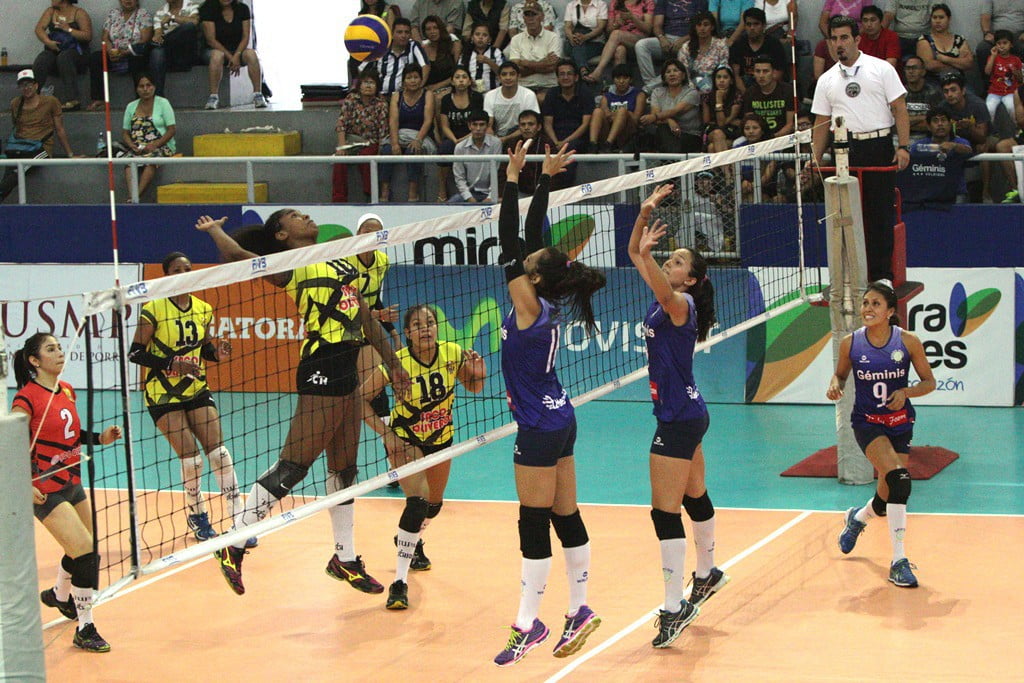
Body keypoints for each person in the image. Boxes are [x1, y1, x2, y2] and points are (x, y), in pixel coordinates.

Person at [197, 210, 410, 597]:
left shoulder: (339, 260)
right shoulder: (289, 264)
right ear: (281, 235)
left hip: (348, 366)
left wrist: (395, 366)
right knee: (294, 465)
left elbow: (366, 320)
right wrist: (215, 232)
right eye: (295, 216)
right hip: (322, 365)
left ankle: (344, 559)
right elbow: (238, 258)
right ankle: (233, 543)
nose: (306, 216)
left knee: (345, 469)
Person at [492, 139, 606, 666]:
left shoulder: (528, 304)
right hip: (561, 415)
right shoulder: (542, 298)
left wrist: (513, 180)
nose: (527, 257)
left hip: (538, 424)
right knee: (566, 514)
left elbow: (509, 242)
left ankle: (527, 622)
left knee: (533, 523)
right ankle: (579, 609)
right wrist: (542, 181)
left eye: (528, 264)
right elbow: (530, 243)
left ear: (532, 278)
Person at [627, 184, 729, 649]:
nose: (671, 262)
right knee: (694, 494)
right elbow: (633, 250)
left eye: (678, 262)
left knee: (663, 511)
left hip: (678, 417)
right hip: (687, 410)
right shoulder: (667, 295)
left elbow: (660, 286)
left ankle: (675, 607)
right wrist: (646, 209)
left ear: (691, 280)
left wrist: (650, 260)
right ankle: (707, 573)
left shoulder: (682, 304)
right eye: (669, 259)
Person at [359, 304, 487, 608]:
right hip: (406, 440)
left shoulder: (452, 353)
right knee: (416, 504)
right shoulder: (397, 362)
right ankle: (399, 583)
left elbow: (473, 387)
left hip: (441, 439)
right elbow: (359, 401)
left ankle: (411, 541)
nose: (426, 328)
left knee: (433, 505)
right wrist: (387, 435)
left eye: (430, 322)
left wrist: (478, 376)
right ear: (407, 333)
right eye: (417, 325)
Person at [128, 252, 255, 544]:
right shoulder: (154, 309)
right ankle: (197, 513)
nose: (184, 272)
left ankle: (239, 517)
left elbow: (203, 349)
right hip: (163, 394)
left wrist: (216, 353)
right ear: (167, 275)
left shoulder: (203, 308)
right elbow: (136, 353)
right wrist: (173, 364)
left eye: (188, 268)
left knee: (219, 454)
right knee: (192, 461)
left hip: (196, 388)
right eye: (177, 269)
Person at [12, 333, 123, 652]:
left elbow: (71, 434)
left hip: (71, 483)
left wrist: (99, 439)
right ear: (35, 361)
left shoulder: (66, 390)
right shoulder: (26, 399)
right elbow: (11, 446)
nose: (60, 353)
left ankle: (60, 596)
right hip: (45, 489)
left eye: (60, 347)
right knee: (86, 553)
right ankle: (85, 627)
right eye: (51, 349)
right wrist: (25, 483)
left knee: (86, 547)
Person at [828, 281, 936, 589]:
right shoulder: (852, 343)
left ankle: (858, 519)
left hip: (900, 422)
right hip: (868, 423)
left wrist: (906, 391)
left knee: (887, 494)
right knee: (900, 479)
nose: (868, 309)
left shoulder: (908, 342)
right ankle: (898, 560)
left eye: (876, 304)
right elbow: (841, 373)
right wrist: (835, 383)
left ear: (890, 311)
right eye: (865, 303)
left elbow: (929, 382)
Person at [812, 15, 910, 285]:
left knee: (880, 214)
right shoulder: (826, 80)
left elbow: (899, 108)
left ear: (857, 39)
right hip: (844, 151)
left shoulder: (881, 69)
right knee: (844, 216)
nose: (839, 44)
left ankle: (881, 277)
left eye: (844, 38)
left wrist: (903, 146)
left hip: (879, 147)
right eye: (834, 38)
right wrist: (815, 158)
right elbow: (821, 122)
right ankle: (849, 275)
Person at [1, 69, 75, 203]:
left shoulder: (51, 101)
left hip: (40, 149)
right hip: (19, 147)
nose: (26, 88)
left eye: (29, 84)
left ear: (36, 85)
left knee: (17, 171)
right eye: (23, 85)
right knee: (9, 174)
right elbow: (16, 125)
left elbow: (59, 129)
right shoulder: (15, 103)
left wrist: (70, 154)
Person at [380, 64, 438, 202]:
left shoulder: (428, 95)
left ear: (421, 79)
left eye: (416, 77)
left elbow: (428, 120)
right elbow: (393, 121)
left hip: (420, 135)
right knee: (387, 150)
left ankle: (413, 193)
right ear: (404, 80)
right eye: (409, 78)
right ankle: (384, 192)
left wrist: (418, 139)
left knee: (412, 150)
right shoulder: (396, 96)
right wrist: (394, 143)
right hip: (400, 134)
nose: (413, 81)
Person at [332, 71, 389, 203]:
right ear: (359, 85)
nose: (368, 86)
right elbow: (341, 123)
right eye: (365, 82)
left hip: (371, 142)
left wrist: (380, 149)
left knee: (366, 158)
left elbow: (383, 130)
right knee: (339, 161)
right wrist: (341, 147)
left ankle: (370, 195)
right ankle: (338, 199)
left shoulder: (381, 104)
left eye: (372, 83)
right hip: (351, 140)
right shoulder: (351, 99)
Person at [86, 0, 153, 111]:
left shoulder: (143, 14)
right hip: (114, 52)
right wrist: (110, 51)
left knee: (139, 59)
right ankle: (99, 99)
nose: (128, 1)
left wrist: (124, 52)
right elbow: (105, 37)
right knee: (96, 58)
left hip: (132, 52)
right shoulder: (113, 14)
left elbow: (144, 39)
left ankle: (141, 100)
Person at [935, 71, 992, 201]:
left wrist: (970, 127)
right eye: (946, 91)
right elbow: (936, 132)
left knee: (983, 146)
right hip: (957, 140)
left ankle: (986, 192)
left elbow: (983, 136)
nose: (949, 95)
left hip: (982, 139)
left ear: (963, 90)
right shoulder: (942, 107)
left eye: (953, 90)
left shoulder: (977, 105)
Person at [199, 0, 265, 109]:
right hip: (215, 49)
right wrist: (231, 57)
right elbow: (211, 40)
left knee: (252, 54)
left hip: (237, 50)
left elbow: (245, 37)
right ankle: (213, 97)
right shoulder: (208, 9)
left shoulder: (242, 9)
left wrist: (237, 55)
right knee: (217, 55)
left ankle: (258, 94)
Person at [120, 72, 175, 200]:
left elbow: (171, 130)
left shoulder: (163, 103)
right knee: (128, 161)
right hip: (137, 147)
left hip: (161, 146)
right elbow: (125, 132)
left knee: (151, 160)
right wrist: (131, 145)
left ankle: (135, 197)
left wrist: (154, 145)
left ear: (154, 87)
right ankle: (131, 195)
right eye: (141, 86)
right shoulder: (131, 106)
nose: (145, 89)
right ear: (137, 89)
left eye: (148, 85)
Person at [901, 108, 973, 205]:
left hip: (956, 194)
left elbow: (968, 150)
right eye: (935, 121)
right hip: (927, 195)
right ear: (928, 126)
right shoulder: (919, 146)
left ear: (950, 124)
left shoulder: (959, 142)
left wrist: (954, 146)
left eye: (943, 120)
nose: (940, 124)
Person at [31, 0, 92, 112]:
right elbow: (39, 29)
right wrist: (48, 42)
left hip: (76, 53)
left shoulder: (79, 13)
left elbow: (87, 36)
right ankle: (32, 97)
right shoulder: (50, 12)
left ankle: (73, 100)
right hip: (55, 50)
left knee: (65, 57)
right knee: (42, 59)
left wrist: (68, 29)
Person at [541, 60, 593, 186]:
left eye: (569, 74)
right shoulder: (551, 94)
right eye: (562, 74)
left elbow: (585, 124)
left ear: (576, 77)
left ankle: (565, 191)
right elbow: (547, 123)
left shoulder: (585, 93)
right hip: (555, 137)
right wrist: (555, 142)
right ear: (557, 78)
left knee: (569, 150)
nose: (565, 77)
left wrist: (564, 143)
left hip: (578, 137)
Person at [437, 66, 485, 201]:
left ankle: (475, 191)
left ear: (470, 81)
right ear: (452, 81)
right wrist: (455, 140)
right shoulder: (446, 99)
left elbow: (479, 123)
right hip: (453, 138)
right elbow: (444, 125)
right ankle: (442, 191)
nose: (461, 81)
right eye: (457, 78)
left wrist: (464, 139)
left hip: (474, 136)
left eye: (464, 77)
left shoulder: (477, 98)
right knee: (444, 148)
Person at [635, 0, 704, 92]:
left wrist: (683, 40)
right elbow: (657, 25)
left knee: (685, 50)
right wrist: (662, 38)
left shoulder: (699, 2)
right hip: (667, 38)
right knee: (641, 45)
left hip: (689, 40)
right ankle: (651, 85)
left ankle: (648, 89)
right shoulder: (664, 1)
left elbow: (700, 27)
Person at [583, 0, 654, 84]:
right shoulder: (615, 3)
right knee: (620, 50)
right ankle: (619, 88)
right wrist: (616, 24)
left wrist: (633, 18)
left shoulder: (646, 2)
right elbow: (608, 31)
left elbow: (648, 29)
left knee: (616, 34)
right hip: (619, 42)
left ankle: (598, 72)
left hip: (639, 41)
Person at [640, 58, 702, 153]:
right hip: (665, 132)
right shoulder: (657, 92)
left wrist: (657, 117)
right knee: (656, 132)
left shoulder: (692, 93)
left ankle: (670, 163)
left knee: (662, 133)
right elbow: (655, 116)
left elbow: (675, 111)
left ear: (683, 75)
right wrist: (669, 120)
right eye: (668, 72)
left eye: (676, 71)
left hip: (689, 135)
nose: (672, 74)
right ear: (664, 77)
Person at [506, 1, 563, 97]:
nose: (531, 18)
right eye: (527, 15)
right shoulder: (516, 39)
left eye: (534, 14)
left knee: (541, 98)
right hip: (524, 86)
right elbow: (516, 69)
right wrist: (543, 63)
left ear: (542, 17)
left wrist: (524, 63)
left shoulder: (553, 37)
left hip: (548, 85)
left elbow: (552, 66)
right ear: (523, 18)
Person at [362, 17, 430, 96]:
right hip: (381, 96)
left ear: (410, 34)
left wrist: (419, 87)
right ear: (392, 34)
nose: (403, 35)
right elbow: (362, 69)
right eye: (399, 32)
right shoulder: (381, 47)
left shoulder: (413, 46)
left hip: (405, 96)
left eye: (406, 32)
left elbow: (425, 66)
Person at [589, 63, 646, 152]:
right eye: (618, 78)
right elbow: (606, 115)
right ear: (613, 80)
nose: (621, 81)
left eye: (625, 78)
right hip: (607, 130)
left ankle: (609, 144)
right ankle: (593, 145)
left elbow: (635, 119)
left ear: (630, 80)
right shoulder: (606, 96)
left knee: (622, 111)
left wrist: (622, 114)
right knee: (597, 111)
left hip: (627, 133)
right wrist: (620, 114)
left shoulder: (638, 94)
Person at [149, 0, 201, 97]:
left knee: (188, 27)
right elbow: (157, 37)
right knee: (157, 52)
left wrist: (173, 18)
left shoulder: (191, 5)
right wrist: (159, 34)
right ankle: (158, 98)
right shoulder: (160, 13)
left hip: (187, 53)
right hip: (170, 54)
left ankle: (144, 48)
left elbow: (194, 22)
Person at [728, 7, 787, 91]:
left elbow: (777, 75)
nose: (752, 28)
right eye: (749, 24)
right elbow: (736, 76)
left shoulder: (774, 45)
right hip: (744, 90)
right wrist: (747, 96)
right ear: (744, 26)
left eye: (756, 24)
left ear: (764, 25)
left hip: (769, 89)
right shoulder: (738, 45)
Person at [916, 4, 974, 86]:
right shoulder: (924, 40)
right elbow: (930, 65)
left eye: (941, 17)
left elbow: (968, 63)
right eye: (934, 18)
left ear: (949, 19)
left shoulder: (959, 39)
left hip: (959, 83)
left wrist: (945, 59)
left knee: (974, 98)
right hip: (933, 84)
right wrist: (958, 63)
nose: (937, 21)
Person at [453, 109, 504, 202]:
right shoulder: (460, 147)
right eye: (475, 124)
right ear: (469, 126)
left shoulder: (496, 143)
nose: (478, 128)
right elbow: (459, 178)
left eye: (481, 125)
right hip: (469, 193)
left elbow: (496, 173)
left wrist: (490, 197)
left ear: (487, 126)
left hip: (490, 194)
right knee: (452, 204)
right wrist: (469, 197)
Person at [484, 62, 541, 145]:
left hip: (522, 137)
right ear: (499, 78)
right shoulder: (490, 95)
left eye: (512, 74)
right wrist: (494, 138)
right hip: (497, 138)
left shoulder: (528, 95)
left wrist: (505, 139)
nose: (508, 77)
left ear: (519, 76)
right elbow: (489, 125)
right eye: (504, 74)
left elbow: (531, 125)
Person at [739, 55, 794, 138]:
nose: (761, 75)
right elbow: (749, 122)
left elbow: (790, 124)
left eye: (765, 71)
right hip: (756, 137)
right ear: (753, 73)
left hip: (782, 137)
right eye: (758, 71)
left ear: (774, 73)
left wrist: (773, 138)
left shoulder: (788, 91)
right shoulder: (749, 93)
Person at [733, 112, 782, 202]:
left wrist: (753, 185)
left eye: (755, 128)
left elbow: (768, 175)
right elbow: (735, 172)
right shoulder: (739, 147)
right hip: (743, 187)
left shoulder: (772, 147)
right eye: (747, 128)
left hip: (766, 188)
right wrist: (743, 183)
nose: (751, 131)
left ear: (762, 130)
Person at [677, 11, 730, 94]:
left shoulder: (721, 45)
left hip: (715, 84)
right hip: (690, 86)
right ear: (695, 28)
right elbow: (684, 72)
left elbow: (723, 68)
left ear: (712, 27)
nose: (702, 28)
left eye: (706, 25)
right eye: (699, 25)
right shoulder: (686, 47)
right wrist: (692, 90)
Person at [506, 109, 555, 193]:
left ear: (539, 127)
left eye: (530, 124)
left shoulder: (547, 144)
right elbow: (504, 172)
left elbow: (554, 174)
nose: (526, 128)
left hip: (544, 193)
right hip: (518, 193)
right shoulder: (511, 144)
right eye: (523, 124)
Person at [976, 0, 1024, 78]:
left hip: (1019, 35)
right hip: (998, 35)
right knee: (982, 48)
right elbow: (985, 17)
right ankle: (989, 87)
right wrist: (987, 33)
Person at [983, 30, 1023, 123]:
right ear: (995, 45)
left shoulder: (1016, 60)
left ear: (1011, 44)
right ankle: (991, 130)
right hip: (994, 91)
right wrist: (993, 56)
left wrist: (1017, 74)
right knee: (989, 108)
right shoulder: (993, 58)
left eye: (1005, 43)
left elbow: (1021, 79)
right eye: (998, 43)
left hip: (1010, 91)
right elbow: (987, 72)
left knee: (1011, 107)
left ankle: (1016, 128)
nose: (1002, 46)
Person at [703, 65, 743, 153]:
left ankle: (723, 167)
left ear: (731, 80)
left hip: (731, 133)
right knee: (718, 133)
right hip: (712, 132)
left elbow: (721, 123)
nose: (721, 80)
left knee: (712, 148)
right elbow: (707, 121)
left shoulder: (737, 96)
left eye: (725, 77)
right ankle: (727, 167)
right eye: (718, 77)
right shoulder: (708, 96)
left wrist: (719, 101)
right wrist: (718, 99)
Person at [903, 54, 942, 140]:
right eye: (908, 68)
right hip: (903, 138)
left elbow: (937, 124)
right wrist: (922, 118)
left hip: (928, 138)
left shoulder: (934, 92)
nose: (911, 71)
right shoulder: (900, 93)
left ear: (923, 71)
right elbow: (895, 124)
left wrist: (908, 122)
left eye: (914, 68)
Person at [562, 0, 608, 72]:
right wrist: (571, 37)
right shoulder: (571, 5)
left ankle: (582, 70)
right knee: (577, 46)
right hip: (573, 42)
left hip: (595, 43)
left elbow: (600, 27)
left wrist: (585, 37)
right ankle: (583, 70)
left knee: (577, 50)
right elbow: (567, 27)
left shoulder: (601, 4)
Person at [421, 15, 461, 94]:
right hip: (428, 89)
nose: (432, 32)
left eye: (435, 28)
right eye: (428, 29)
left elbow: (458, 71)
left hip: (449, 86)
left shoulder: (454, 45)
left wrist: (437, 86)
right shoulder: (423, 48)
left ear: (441, 29)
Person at [463, 22, 506, 92]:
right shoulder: (466, 53)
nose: (480, 37)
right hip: (471, 93)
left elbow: (504, 73)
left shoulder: (496, 52)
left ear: (489, 39)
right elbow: (459, 71)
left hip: (493, 92)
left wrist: (488, 61)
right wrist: (469, 81)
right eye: (477, 34)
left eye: (485, 35)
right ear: (472, 37)